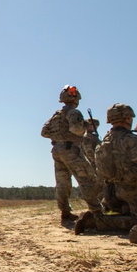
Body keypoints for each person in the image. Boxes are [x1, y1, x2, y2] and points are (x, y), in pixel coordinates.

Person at [75, 103, 137, 234]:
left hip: (112, 190)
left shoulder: (106, 140)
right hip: (134, 188)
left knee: (133, 214)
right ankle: (95, 222)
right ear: (128, 118)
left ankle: (98, 219)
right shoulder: (130, 139)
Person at [40, 85, 104, 223]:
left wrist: (58, 136)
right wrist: (84, 128)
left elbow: (44, 132)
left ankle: (65, 212)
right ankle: (97, 211)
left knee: (62, 182)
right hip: (71, 149)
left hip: (57, 150)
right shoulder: (74, 113)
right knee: (87, 178)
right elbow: (76, 129)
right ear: (76, 99)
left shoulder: (56, 115)